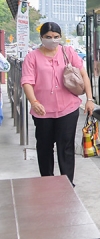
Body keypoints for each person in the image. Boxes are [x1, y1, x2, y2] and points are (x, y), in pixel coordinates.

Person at [21, 22, 95, 184]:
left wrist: (89, 99)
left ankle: (67, 183)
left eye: (56, 37)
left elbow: (84, 75)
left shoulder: (68, 52)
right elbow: (27, 81)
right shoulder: (32, 57)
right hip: (43, 111)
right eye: (48, 37)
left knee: (66, 146)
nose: (52, 40)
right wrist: (33, 102)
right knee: (44, 147)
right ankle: (47, 182)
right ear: (41, 37)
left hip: (68, 109)